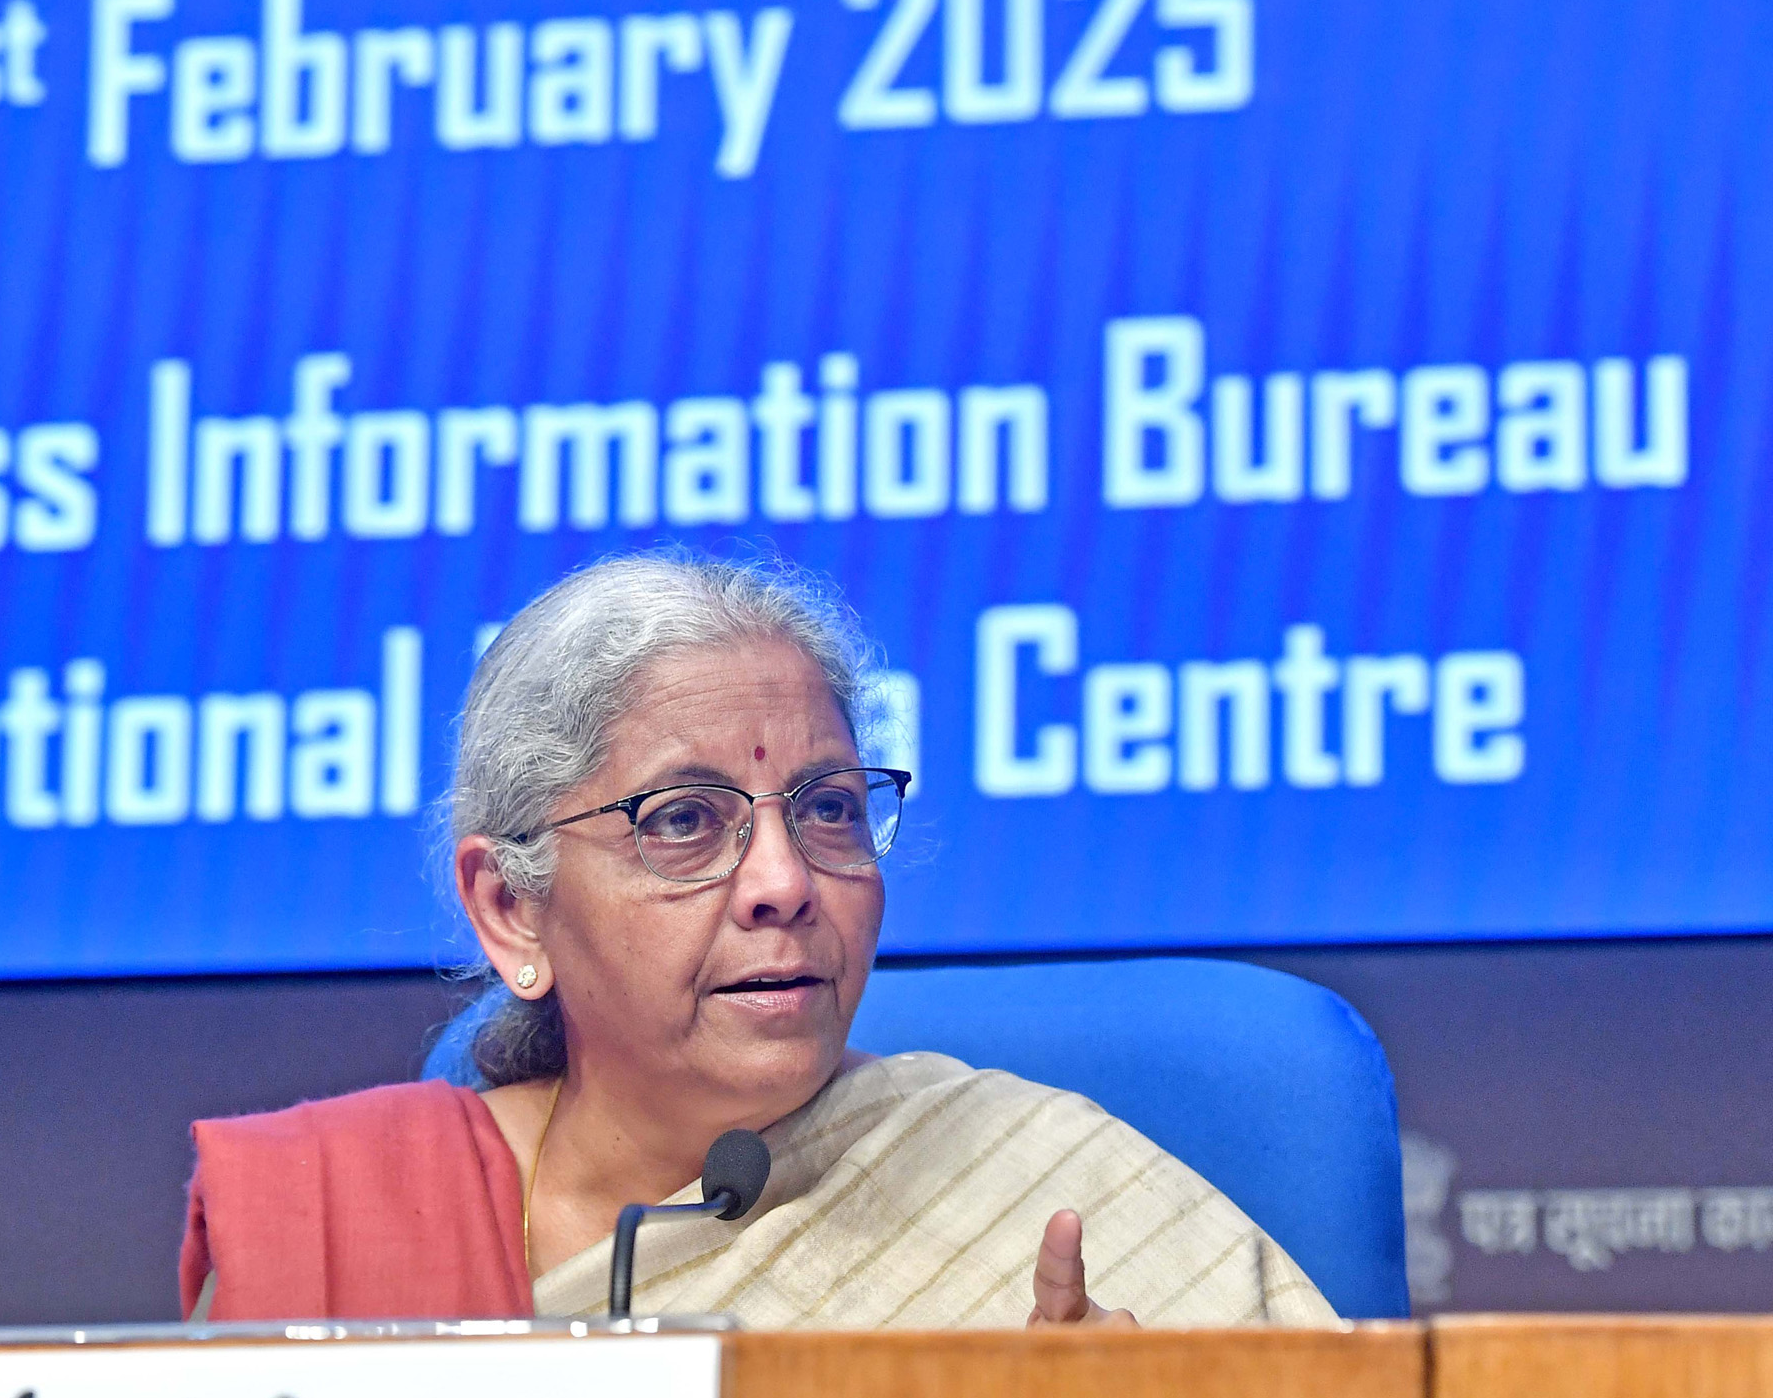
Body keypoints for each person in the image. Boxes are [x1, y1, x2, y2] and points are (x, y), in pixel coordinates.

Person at [181, 554, 1337, 1329]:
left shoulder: (1038, 1187)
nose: (783, 883)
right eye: (682, 823)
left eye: (829, 807)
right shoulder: (333, 1225)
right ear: (511, 912)